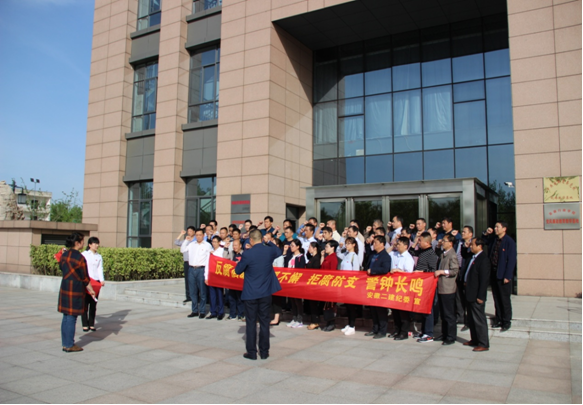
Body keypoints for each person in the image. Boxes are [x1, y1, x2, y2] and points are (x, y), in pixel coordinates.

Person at [235, 229, 282, 360]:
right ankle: (264, 351)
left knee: (251, 323)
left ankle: (252, 352)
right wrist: (269, 242)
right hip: (265, 293)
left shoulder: (247, 254)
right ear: (262, 239)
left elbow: (238, 270)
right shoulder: (269, 251)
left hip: (251, 293)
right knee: (264, 322)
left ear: (251, 240)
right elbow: (279, 251)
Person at [58, 232, 96, 353]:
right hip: (75, 289)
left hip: (65, 287)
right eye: (82, 241)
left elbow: (61, 267)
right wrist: (91, 290)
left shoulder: (64, 255)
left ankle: (65, 343)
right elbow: (85, 277)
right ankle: (69, 344)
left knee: (66, 317)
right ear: (77, 243)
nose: (83, 243)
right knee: (71, 317)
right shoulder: (80, 258)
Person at [485, 221, 516, 331]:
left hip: (503, 274)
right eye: (495, 226)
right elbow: (484, 241)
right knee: (496, 298)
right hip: (494, 273)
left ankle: (506, 321)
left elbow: (511, 260)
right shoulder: (494, 239)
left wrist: (508, 276)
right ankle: (498, 319)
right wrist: (486, 233)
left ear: (504, 229)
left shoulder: (509, 242)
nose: (495, 228)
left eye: (497, 227)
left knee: (504, 299)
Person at [464, 237, 491, 352]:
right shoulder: (472, 257)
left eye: (472, 245)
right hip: (469, 293)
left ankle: (483, 343)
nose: (470, 247)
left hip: (476, 295)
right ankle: (474, 339)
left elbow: (484, 280)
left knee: (479, 320)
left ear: (479, 246)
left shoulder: (483, 259)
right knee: (471, 319)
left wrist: (481, 296)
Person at [364, 235, 392, 339]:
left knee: (380, 310)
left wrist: (373, 271)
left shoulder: (385, 256)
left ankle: (382, 330)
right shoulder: (373, 254)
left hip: (380, 286)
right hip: (371, 285)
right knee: (373, 309)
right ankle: (375, 328)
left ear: (382, 244)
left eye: (375, 243)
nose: (374, 244)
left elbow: (385, 269)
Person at [413, 232, 439, 343]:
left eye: (420, 241)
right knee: (423, 309)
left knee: (428, 309)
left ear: (427, 242)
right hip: (421, 285)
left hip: (428, 285)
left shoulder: (431, 254)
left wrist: (421, 271)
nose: (419, 242)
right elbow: (411, 251)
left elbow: (433, 270)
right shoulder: (422, 252)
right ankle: (424, 331)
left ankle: (429, 333)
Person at [434, 234, 459, 345]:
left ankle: (450, 336)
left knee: (449, 314)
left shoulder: (452, 255)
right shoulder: (444, 253)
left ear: (450, 243)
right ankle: (444, 334)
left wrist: (442, 272)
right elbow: (437, 252)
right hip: (441, 287)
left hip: (448, 288)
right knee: (443, 314)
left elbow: (454, 270)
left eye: (444, 241)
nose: (442, 242)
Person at [182, 228, 213, 318]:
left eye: (200, 235)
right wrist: (186, 240)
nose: (198, 237)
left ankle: (202, 311)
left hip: (201, 269)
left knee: (202, 292)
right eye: (197, 235)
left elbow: (210, 258)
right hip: (192, 269)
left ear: (203, 235)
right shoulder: (191, 244)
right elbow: (182, 250)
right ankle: (194, 310)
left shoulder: (207, 245)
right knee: (193, 291)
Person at [389, 237, 415, 340]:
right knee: (395, 311)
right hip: (394, 287)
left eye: (399, 244)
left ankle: (404, 332)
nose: (397, 245)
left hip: (403, 288)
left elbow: (409, 273)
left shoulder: (408, 258)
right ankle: (397, 329)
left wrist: (398, 271)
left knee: (403, 312)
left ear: (405, 246)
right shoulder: (395, 254)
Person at [336, 237, 360, 336]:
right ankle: (349, 324)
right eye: (346, 243)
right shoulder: (346, 255)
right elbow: (338, 253)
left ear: (354, 245)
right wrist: (340, 246)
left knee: (351, 306)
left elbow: (356, 271)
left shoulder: (354, 256)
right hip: (344, 283)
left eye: (349, 243)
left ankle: (352, 325)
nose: (347, 245)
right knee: (347, 305)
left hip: (350, 284)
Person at [81, 237, 104, 332]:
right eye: (94, 243)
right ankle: (85, 324)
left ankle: (91, 323)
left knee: (93, 304)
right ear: (89, 245)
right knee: (85, 303)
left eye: (97, 243)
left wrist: (102, 280)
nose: (96, 245)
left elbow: (100, 268)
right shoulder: (84, 255)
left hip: (96, 281)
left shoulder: (99, 256)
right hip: (87, 280)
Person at [205, 236, 227, 320]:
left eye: (215, 242)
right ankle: (213, 312)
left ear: (219, 242)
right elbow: (207, 264)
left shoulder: (222, 251)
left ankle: (220, 312)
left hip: (219, 276)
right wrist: (206, 277)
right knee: (212, 295)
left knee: (219, 294)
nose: (214, 243)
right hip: (211, 275)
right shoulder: (210, 252)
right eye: (213, 242)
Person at [285, 239, 306, 328]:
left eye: (293, 245)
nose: (291, 247)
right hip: (290, 281)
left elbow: (301, 270)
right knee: (292, 300)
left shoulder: (301, 257)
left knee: (298, 301)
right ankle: (294, 318)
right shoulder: (290, 256)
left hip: (297, 282)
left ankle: (299, 319)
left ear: (298, 247)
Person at [320, 240, 339, 331]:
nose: (325, 248)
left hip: (330, 285)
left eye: (327, 246)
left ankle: (331, 323)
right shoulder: (327, 257)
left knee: (330, 305)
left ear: (332, 248)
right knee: (326, 305)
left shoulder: (333, 258)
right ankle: (328, 322)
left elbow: (333, 272)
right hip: (325, 283)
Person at [175, 226, 196, 303]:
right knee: (187, 279)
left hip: (193, 263)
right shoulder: (185, 241)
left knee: (194, 280)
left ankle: (196, 296)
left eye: (191, 231)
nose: (189, 232)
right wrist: (181, 234)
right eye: (188, 231)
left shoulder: (195, 241)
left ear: (194, 232)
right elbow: (176, 242)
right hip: (186, 262)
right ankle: (188, 296)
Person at [306, 242, 323, 331]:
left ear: (315, 248)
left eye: (310, 247)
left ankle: (315, 321)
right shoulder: (312, 258)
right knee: (311, 304)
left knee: (314, 304)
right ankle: (313, 321)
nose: (309, 249)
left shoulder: (317, 259)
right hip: (310, 283)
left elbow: (315, 271)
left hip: (314, 284)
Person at [228, 239, 245, 321]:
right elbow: (224, 260)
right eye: (233, 245)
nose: (234, 247)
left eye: (236, 245)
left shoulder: (244, 254)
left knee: (240, 298)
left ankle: (241, 314)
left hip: (241, 280)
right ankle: (232, 314)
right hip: (232, 279)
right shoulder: (231, 253)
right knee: (231, 297)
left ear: (240, 246)